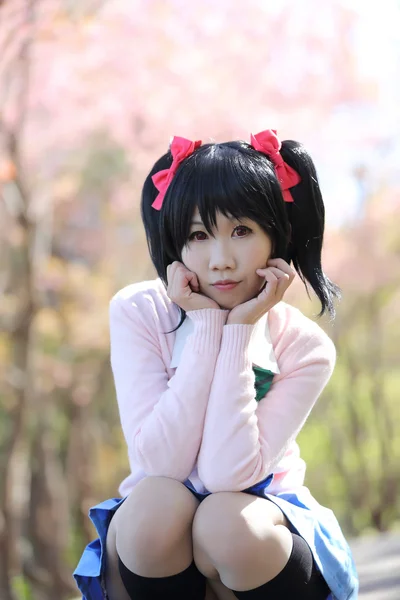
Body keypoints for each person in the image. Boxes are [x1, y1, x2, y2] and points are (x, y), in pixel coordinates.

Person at [73, 129, 359, 600]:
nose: (221, 260)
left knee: (224, 521)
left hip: (258, 524)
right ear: (176, 243)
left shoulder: (304, 346)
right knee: (155, 506)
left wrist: (242, 329)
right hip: (158, 536)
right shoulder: (140, 311)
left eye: (242, 232)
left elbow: (230, 476)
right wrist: (207, 325)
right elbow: (160, 463)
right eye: (199, 235)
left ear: (276, 238)